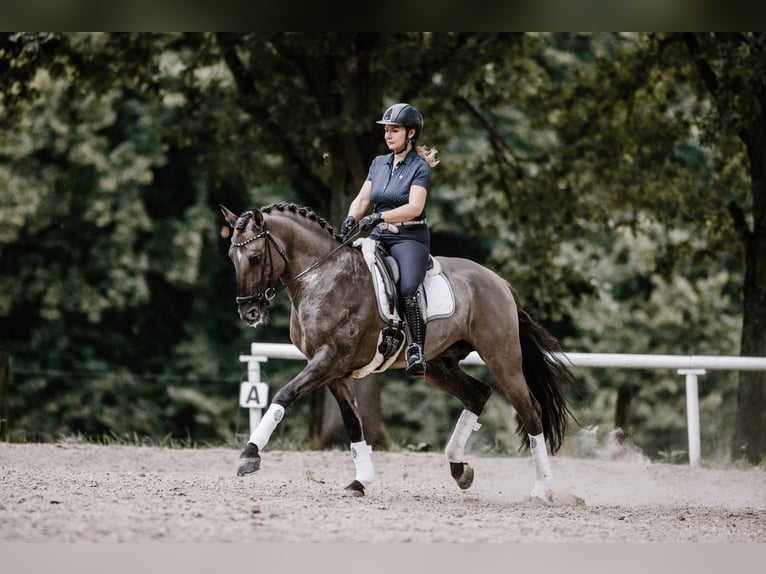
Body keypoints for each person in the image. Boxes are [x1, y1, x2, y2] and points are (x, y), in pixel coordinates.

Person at [340, 102, 439, 377]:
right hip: (379, 236)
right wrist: (351, 218)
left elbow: (414, 207)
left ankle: (416, 349)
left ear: (410, 133)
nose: (388, 135)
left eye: (395, 130)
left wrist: (380, 217)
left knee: (408, 287)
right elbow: (362, 199)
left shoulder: (420, 168)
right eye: (387, 130)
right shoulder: (378, 163)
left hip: (409, 237)